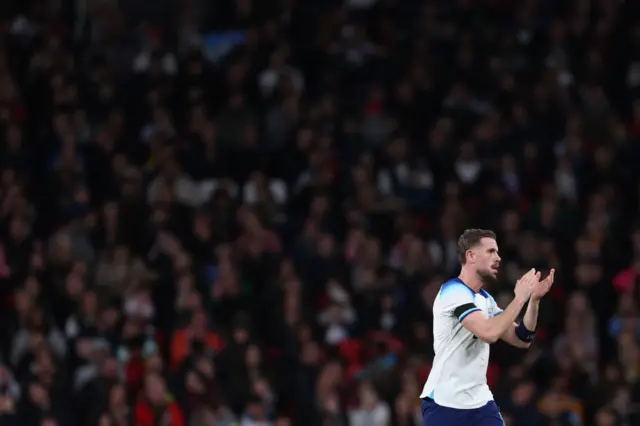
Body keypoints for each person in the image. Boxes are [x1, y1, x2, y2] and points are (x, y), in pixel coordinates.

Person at [420, 229, 555, 425]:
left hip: (480, 401)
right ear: (471, 256)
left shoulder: (485, 300)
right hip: (445, 402)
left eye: (498, 252)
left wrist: (533, 301)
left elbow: (522, 338)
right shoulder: (452, 292)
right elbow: (489, 333)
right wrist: (519, 299)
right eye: (491, 251)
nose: (498, 258)